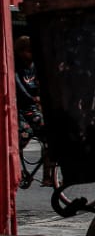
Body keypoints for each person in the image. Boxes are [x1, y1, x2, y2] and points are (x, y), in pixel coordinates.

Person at [13, 35, 55, 186]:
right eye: (29, 51)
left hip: (31, 108)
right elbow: (18, 86)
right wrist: (32, 98)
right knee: (24, 135)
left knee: (50, 136)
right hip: (18, 108)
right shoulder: (16, 66)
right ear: (20, 51)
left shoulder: (34, 66)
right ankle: (14, 169)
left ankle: (48, 176)